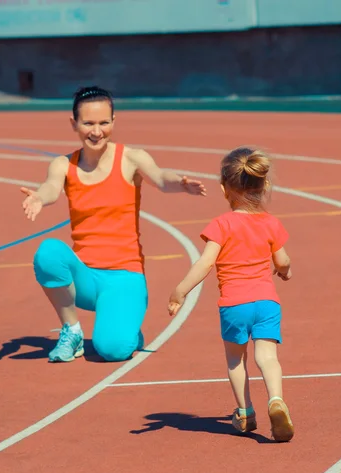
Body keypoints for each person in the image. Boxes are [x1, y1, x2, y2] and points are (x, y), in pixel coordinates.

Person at [20, 86, 206, 363]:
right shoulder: (63, 165)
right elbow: (50, 187)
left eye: (104, 123)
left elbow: (159, 177)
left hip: (124, 276)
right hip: (85, 277)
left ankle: (126, 326)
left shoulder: (131, 158)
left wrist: (179, 182)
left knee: (112, 350)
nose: (97, 131)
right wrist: (39, 197)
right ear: (74, 124)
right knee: (48, 252)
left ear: (113, 122)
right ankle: (71, 331)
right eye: (88, 123)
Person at [168, 146, 294, 442]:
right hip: (266, 302)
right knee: (267, 356)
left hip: (234, 304)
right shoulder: (270, 223)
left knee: (236, 360)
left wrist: (180, 291)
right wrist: (286, 272)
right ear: (264, 185)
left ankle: (246, 412)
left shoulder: (221, 225)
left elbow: (205, 263)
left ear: (224, 188)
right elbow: (283, 261)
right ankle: (276, 400)